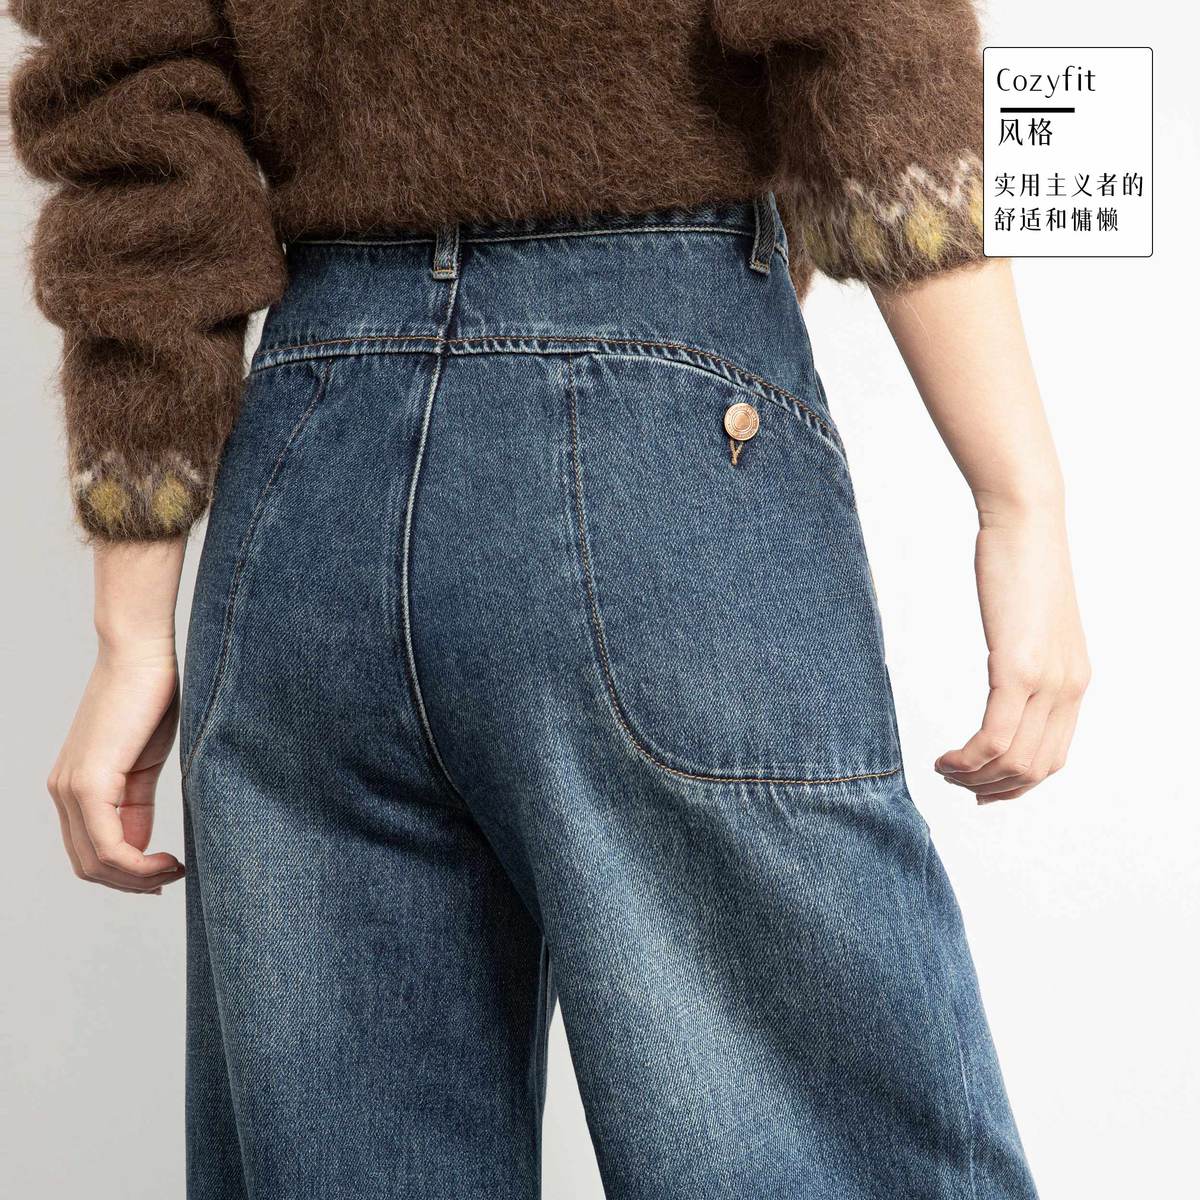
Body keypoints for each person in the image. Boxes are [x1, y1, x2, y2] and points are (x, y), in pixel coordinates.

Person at [11, 2, 1088, 1197]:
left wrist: (131, 627)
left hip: (306, 479)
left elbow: (136, 120)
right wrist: (1018, 499)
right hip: (646, 432)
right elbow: (866, 35)